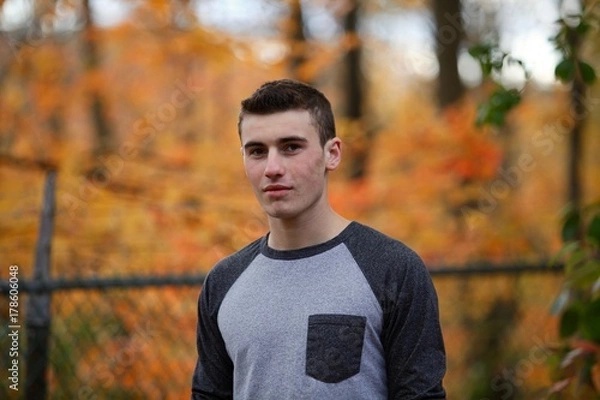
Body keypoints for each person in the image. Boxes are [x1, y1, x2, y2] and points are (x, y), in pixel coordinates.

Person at [191, 79, 446, 399]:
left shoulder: (392, 269)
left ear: (332, 154)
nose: (272, 168)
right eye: (257, 151)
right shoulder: (223, 281)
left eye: (291, 147)